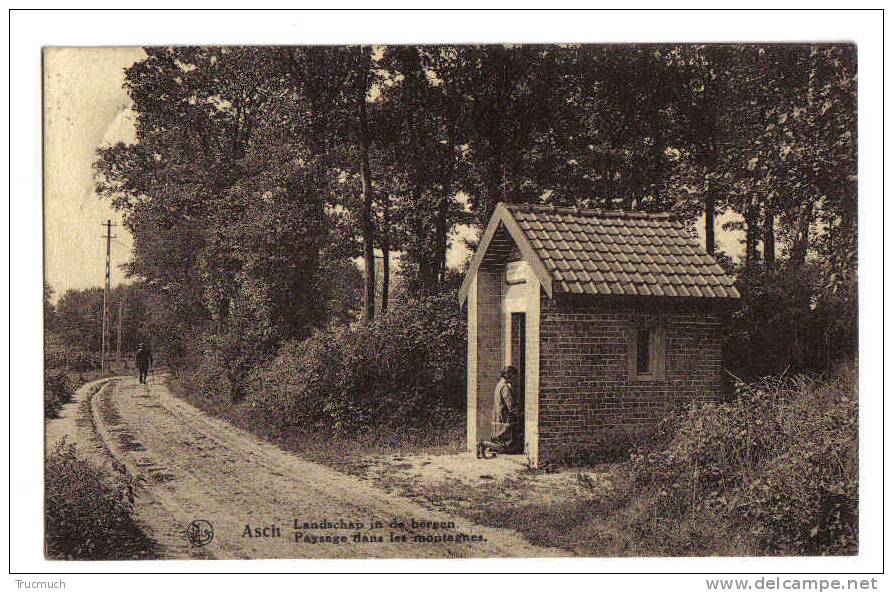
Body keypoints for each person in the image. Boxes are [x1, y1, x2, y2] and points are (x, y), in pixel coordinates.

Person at [477, 366, 521, 458]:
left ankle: (485, 445)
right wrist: (520, 414)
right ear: (508, 376)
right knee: (506, 445)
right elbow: (511, 406)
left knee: (501, 440)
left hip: (498, 417)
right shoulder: (505, 387)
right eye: (514, 376)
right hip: (505, 418)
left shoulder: (499, 385)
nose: (515, 378)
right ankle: (484, 444)